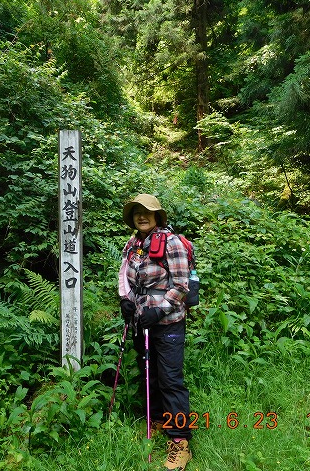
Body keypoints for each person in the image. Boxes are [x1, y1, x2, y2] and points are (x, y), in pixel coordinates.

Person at [118, 194, 192, 471]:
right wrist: (125, 300)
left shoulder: (172, 242)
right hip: (141, 322)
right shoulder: (132, 244)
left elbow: (181, 284)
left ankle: (180, 441)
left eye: (147, 212)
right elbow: (124, 276)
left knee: (170, 378)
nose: (141, 216)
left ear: (157, 216)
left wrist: (160, 310)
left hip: (168, 322)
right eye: (137, 212)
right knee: (150, 373)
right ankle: (160, 419)